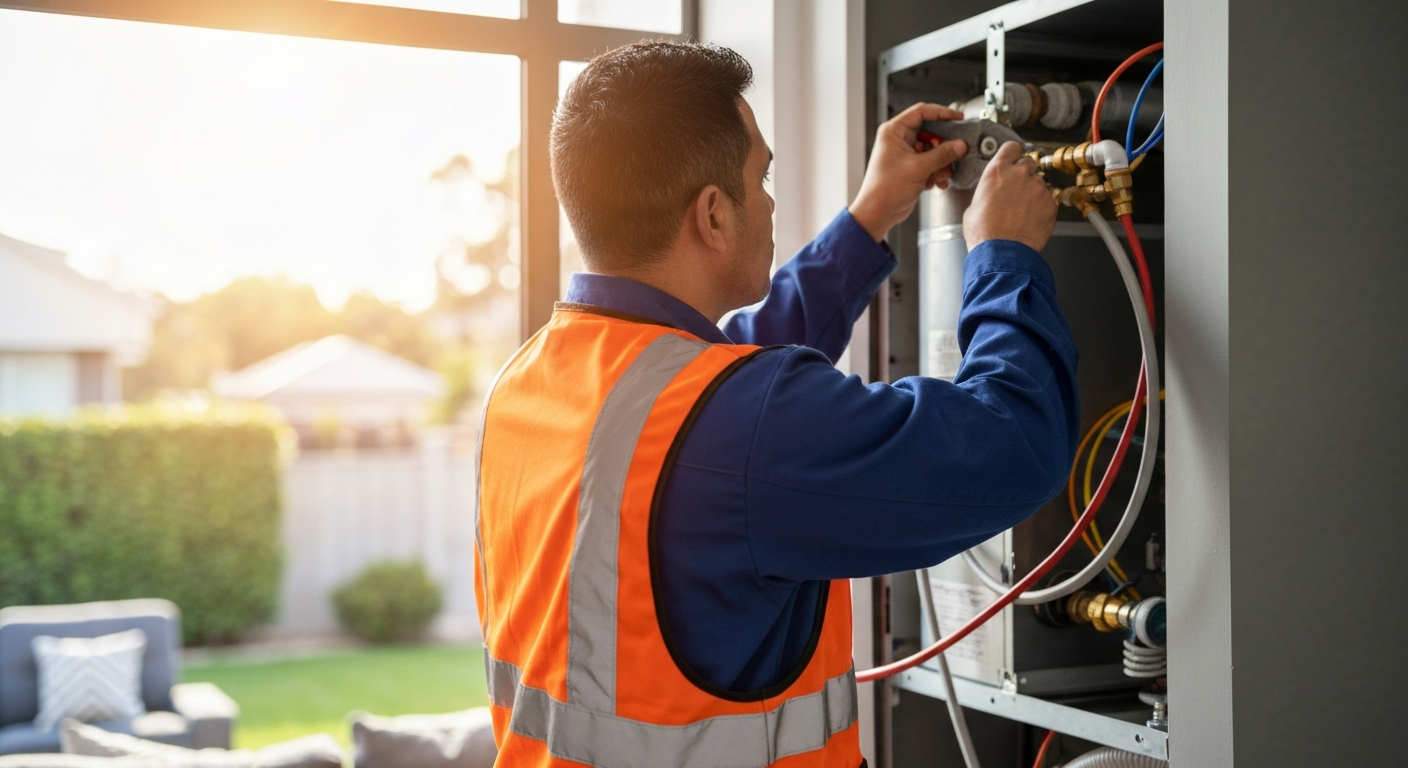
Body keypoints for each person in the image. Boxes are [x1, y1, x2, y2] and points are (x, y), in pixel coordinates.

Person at [474, 41, 1075, 768]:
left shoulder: (530, 382)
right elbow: (1013, 445)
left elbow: (720, 392)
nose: (771, 199)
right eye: (762, 176)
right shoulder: (738, 425)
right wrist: (1003, 256)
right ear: (713, 215)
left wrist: (870, 216)